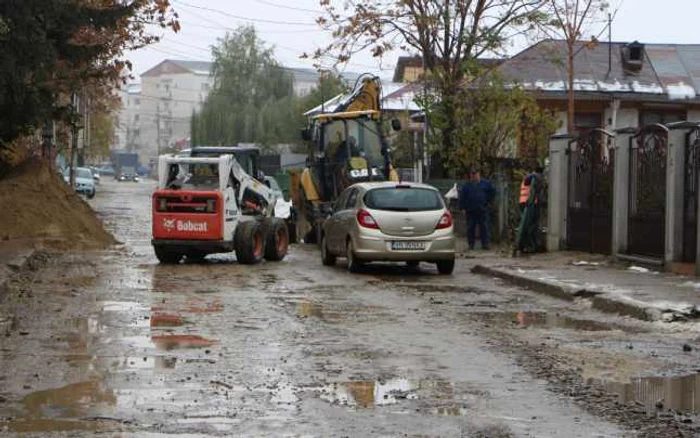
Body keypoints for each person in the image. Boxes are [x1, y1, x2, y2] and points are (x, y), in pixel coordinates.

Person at [459, 167, 496, 250]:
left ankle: (485, 244)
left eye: (475, 174)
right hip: (470, 210)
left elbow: (492, 192)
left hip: (482, 209)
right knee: (470, 228)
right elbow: (462, 197)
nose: (473, 176)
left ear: (478, 174)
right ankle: (471, 244)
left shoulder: (486, 184)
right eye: (472, 174)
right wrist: (462, 208)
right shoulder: (467, 186)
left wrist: (488, 202)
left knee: (484, 227)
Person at [517, 166, 545, 253]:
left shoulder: (529, 178)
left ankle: (526, 245)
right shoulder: (533, 177)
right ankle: (530, 245)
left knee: (527, 225)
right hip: (529, 204)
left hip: (524, 203)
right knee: (530, 226)